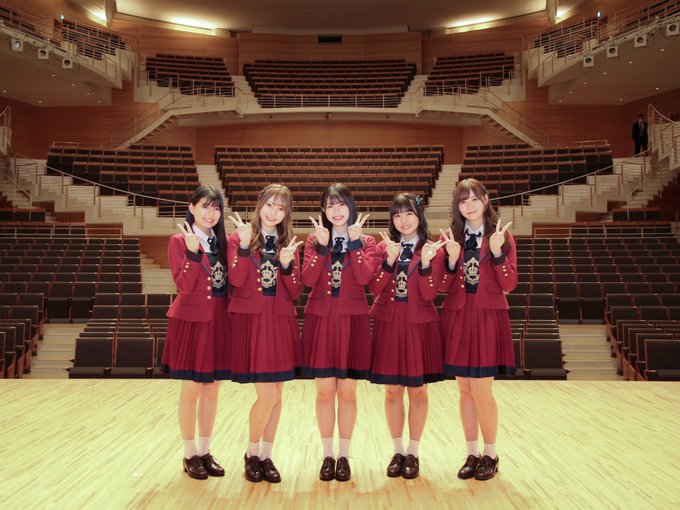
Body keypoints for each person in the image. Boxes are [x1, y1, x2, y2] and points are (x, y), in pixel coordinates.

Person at [438, 178, 516, 482]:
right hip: (458, 315)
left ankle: (491, 454)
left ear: (485, 199)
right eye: (462, 201)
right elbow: (441, 286)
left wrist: (497, 254)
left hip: (487, 316)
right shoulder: (451, 238)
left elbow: (509, 283)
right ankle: (471, 453)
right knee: (464, 390)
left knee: (482, 390)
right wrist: (451, 260)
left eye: (474, 199)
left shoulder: (501, 237)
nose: (468, 206)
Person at [227, 184, 303, 484]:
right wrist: (244, 247)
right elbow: (236, 279)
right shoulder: (239, 237)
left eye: (281, 208)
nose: (274, 212)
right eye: (270, 205)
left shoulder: (288, 242)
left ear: (287, 213)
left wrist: (286, 266)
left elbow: (295, 291)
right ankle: (251, 453)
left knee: (277, 396)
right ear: (260, 205)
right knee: (267, 395)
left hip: (280, 321)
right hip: (254, 321)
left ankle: (266, 456)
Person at [301, 183, 376, 482]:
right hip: (321, 320)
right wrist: (321, 247)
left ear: (351, 207)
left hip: (352, 320)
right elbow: (307, 280)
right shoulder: (314, 238)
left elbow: (365, 278)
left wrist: (355, 244)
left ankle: (344, 456)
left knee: (347, 392)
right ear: (323, 209)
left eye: (341, 204)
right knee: (323, 392)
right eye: (330, 205)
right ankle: (327, 455)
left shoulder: (366, 240)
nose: (336, 211)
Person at [369, 193, 445, 480]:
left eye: (409, 213)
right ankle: (398, 451)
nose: (403, 220)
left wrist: (425, 264)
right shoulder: (383, 247)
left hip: (418, 325)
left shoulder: (431, 249)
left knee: (418, 391)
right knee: (392, 391)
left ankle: (413, 451)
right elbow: (374, 288)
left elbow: (430, 293)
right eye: (398, 215)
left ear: (419, 216)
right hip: (389, 322)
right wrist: (389, 261)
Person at [163, 185, 230, 480]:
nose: (210, 213)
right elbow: (184, 286)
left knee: (212, 389)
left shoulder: (223, 242)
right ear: (191, 208)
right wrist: (192, 253)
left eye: (216, 208)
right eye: (205, 206)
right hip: (191, 321)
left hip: (219, 321)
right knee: (191, 390)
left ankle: (204, 450)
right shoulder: (179, 241)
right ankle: (189, 453)